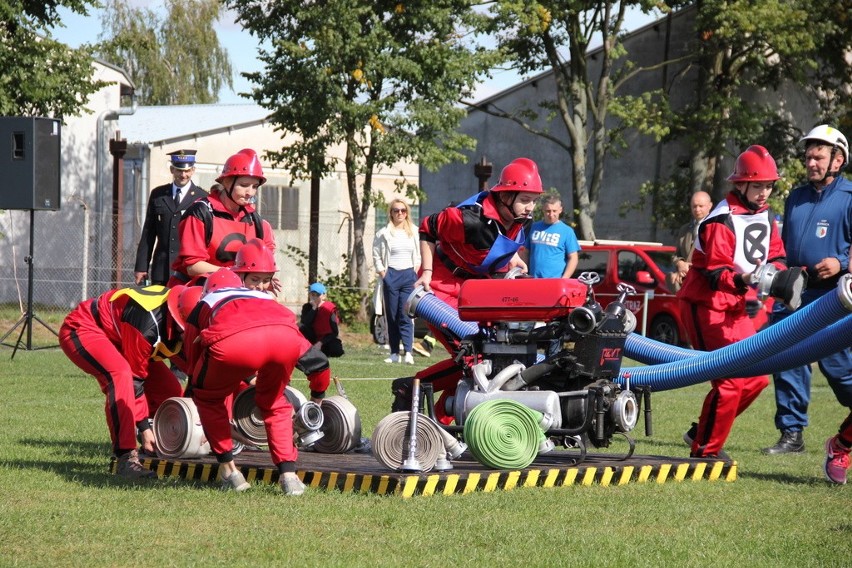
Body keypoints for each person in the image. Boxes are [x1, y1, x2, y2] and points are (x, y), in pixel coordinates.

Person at [400, 157, 542, 423]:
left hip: (477, 290)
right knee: (472, 357)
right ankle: (411, 389)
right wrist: (427, 273)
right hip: (442, 287)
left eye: (534, 200)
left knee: (492, 354)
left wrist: (514, 258)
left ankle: (442, 423)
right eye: (525, 199)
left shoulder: (521, 218)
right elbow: (427, 229)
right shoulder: (470, 219)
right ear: (506, 196)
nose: (530, 207)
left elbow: (503, 243)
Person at [677, 145, 793, 458]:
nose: (765, 192)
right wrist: (748, 279)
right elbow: (717, 274)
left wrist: (777, 274)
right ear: (739, 184)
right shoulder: (720, 220)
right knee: (729, 383)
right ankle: (705, 450)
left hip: (736, 306)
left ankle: (700, 431)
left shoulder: (766, 214)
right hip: (706, 305)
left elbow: (777, 254)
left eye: (769, 185)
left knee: (756, 380)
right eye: (758, 186)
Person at [176, 270, 330, 495]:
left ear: (207, 290)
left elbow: (192, 355)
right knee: (275, 402)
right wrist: (317, 397)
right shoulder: (266, 297)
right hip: (283, 338)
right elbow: (319, 363)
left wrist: (200, 386)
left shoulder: (207, 301)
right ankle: (289, 476)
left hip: (232, 345)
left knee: (209, 399)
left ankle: (231, 473)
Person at [764, 125, 852, 455]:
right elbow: (782, 245)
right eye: (808, 156)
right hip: (795, 294)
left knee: (837, 367)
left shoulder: (849, 198)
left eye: (819, 156)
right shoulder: (795, 197)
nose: (811, 162)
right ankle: (791, 433)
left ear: (837, 159)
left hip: (834, 297)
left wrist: (841, 263)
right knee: (786, 359)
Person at [59, 284, 187, 479]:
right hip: (85, 327)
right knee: (120, 375)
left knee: (170, 390)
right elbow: (136, 383)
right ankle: (126, 457)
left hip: (121, 337)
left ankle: (163, 444)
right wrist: (144, 428)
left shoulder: (182, 310)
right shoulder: (147, 324)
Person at [170, 148, 276, 288]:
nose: (250, 192)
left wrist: (265, 278)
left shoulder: (256, 221)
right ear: (226, 182)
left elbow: (264, 260)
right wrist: (234, 273)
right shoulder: (200, 212)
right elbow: (193, 266)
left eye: (255, 186)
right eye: (244, 185)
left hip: (235, 288)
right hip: (196, 289)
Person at [134, 150, 205, 286]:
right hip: (161, 270)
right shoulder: (158, 195)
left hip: (187, 271)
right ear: (172, 169)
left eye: (187, 171)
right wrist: (141, 267)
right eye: (179, 170)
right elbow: (149, 233)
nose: (183, 175)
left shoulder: (201, 197)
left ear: (193, 170)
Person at [372, 199, 421, 365]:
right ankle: (394, 352)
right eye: (396, 210)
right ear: (391, 213)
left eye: (403, 210)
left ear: (407, 212)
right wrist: (384, 274)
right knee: (392, 315)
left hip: (409, 276)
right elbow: (376, 255)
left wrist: (414, 271)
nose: (400, 213)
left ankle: (408, 351)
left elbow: (420, 254)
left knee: (406, 314)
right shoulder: (383, 233)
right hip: (391, 275)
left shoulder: (414, 232)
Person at [526, 193, 580, 279]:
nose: (551, 214)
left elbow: (573, 258)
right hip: (533, 280)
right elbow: (525, 252)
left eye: (554, 211)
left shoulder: (567, 231)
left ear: (560, 210)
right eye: (548, 211)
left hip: (555, 282)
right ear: (543, 210)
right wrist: (524, 274)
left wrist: (564, 279)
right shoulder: (533, 227)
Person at [670, 191, 713, 292]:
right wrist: (680, 263)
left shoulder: (715, 228)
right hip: (685, 286)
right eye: (694, 206)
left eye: (701, 206)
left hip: (705, 285)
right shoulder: (684, 229)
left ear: (710, 206)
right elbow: (676, 255)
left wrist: (689, 268)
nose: (697, 209)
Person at [299, 282, 344, 358]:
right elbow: (305, 323)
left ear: (323, 296)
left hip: (326, 339)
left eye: (318, 295)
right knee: (302, 328)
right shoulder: (306, 307)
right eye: (312, 295)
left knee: (336, 350)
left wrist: (321, 343)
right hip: (312, 337)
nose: (315, 297)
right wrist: (314, 309)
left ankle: (321, 350)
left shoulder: (330, 308)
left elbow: (334, 332)